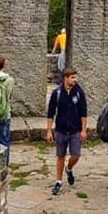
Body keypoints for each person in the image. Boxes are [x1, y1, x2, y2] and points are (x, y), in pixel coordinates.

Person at [45, 67, 87, 195]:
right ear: (66, 78)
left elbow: (83, 112)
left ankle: (69, 168)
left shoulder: (79, 92)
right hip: (61, 130)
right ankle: (58, 181)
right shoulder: (57, 93)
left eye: (76, 77)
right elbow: (51, 112)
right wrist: (49, 130)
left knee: (76, 155)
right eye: (72, 77)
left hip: (75, 130)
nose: (75, 80)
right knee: (60, 156)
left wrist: (84, 130)